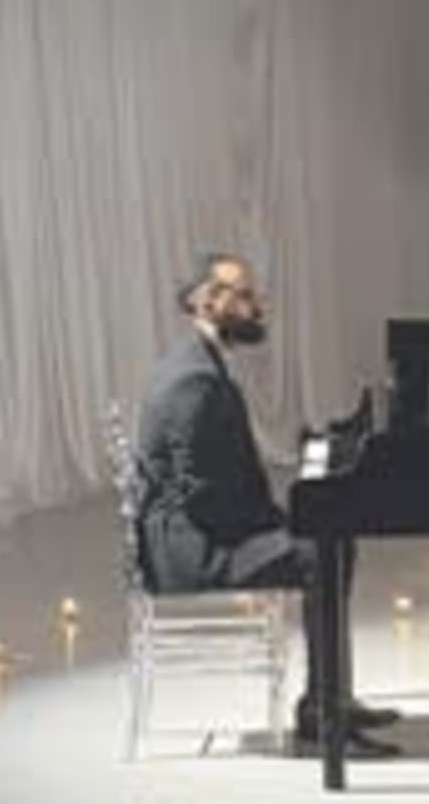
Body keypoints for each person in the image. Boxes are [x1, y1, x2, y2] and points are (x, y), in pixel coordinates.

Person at [128, 253, 399, 751]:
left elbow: (218, 482)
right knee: (325, 548)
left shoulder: (198, 365)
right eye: (245, 295)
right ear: (208, 301)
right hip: (192, 553)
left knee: (329, 538)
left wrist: (281, 519)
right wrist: (280, 525)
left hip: (199, 535)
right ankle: (324, 710)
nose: (257, 306)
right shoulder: (194, 383)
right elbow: (201, 497)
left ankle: (330, 697)